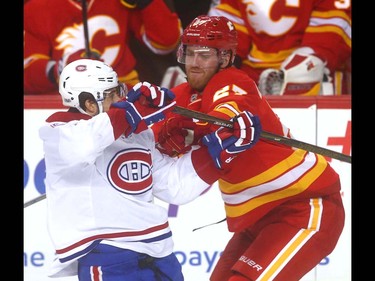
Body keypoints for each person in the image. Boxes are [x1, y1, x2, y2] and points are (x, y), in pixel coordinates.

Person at [153, 15, 345, 281]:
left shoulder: (233, 81)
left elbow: (229, 109)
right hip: (258, 220)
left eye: (205, 55)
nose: (194, 63)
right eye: (190, 53)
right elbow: (149, 136)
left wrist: (214, 125)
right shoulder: (184, 94)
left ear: (225, 58)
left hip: (301, 208)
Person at [39, 58, 262, 280]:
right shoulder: (58, 132)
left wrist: (217, 154)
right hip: (108, 258)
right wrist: (131, 112)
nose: (122, 98)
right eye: (113, 94)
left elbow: (173, 186)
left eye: (121, 90)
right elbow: (85, 143)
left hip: (160, 254)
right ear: (89, 104)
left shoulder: (136, 134)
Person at [24, 0, 182, 95]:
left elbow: (166, 44)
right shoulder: (36, 8)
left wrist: (150, 4)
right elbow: (28, 71)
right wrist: (61, 69)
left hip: (123, 90)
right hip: (66, 97)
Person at [207, 0, 352, 96]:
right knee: (211, 71)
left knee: (310, 69)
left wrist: (303, 66)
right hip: (252, 77)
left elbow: (331, 34)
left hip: (314, 79)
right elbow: (228, 32)